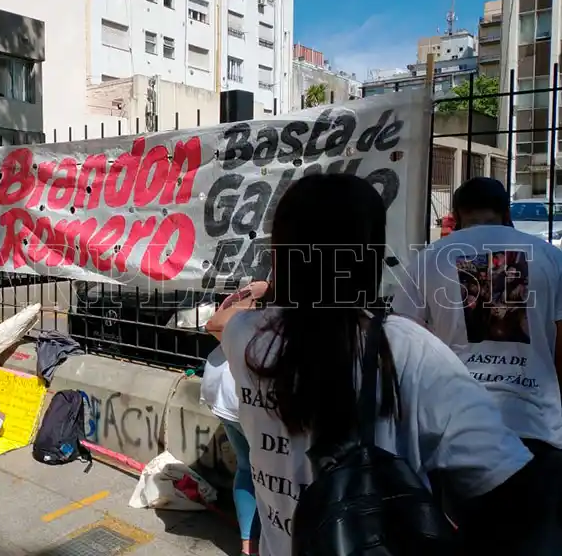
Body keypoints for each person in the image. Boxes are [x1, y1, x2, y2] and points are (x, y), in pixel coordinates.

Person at [218, 173, 552, 555]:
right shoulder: (405, 348)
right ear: (369, 252)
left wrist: (267, 289)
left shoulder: (242, 335)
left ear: (281, 249)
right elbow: (515, 486)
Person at [392, 177, 562, 456]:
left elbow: (406, 338)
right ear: (506, 213)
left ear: (457, 215)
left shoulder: (429, 258)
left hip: (457, 423)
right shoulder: (550, 257)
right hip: (537, 424)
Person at [202, 281, 270, 556]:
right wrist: (253, 293)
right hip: (244, 403)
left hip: (227, 399)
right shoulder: (260, 311)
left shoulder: (245, 314)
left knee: (248, 469)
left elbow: (214, 323)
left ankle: (248, 546)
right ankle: (258, 544)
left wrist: (246, 295)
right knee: (269, 474)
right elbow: (214, 324)